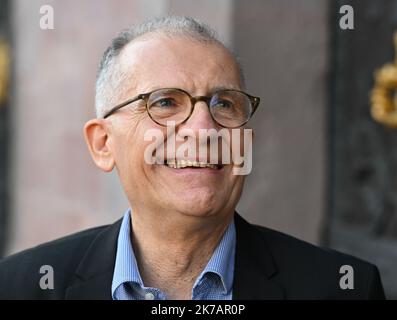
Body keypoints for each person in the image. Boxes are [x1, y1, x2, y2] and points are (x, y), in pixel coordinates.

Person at [0, 16, 385, 300]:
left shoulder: (342, 288)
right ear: (103, 144)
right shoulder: (20, 287)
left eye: (226, 104)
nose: (204, 130)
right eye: (165, 102)